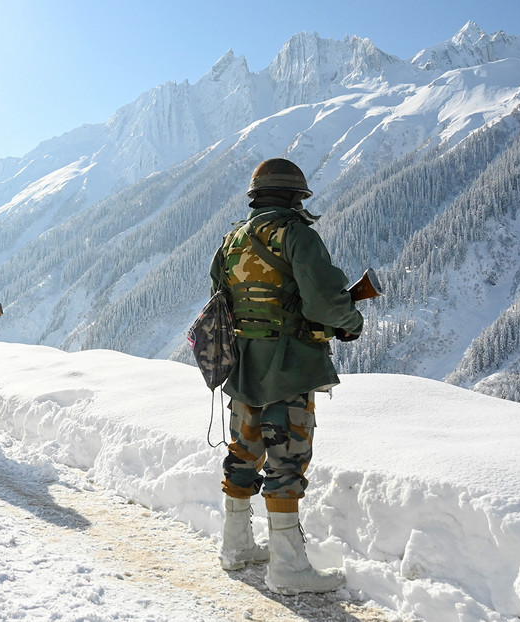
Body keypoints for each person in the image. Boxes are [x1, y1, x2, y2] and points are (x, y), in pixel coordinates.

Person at [211, 158, 363, 595]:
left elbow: (220, 302)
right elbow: (324, 302)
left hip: (242, 366)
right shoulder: (297, 236)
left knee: (243, 452)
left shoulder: (231, 240)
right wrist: (350, 321)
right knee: (287, 460)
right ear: (296, 197)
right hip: (289, 367)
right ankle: (289, 569)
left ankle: (235, 547)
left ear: (256, 196)